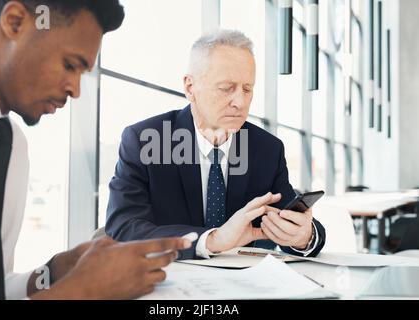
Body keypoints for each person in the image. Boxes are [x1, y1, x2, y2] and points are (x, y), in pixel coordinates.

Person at [0, 0, 191, 300]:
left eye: (82, 72)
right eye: (70, 64)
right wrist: (82, 291)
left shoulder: (11, 144)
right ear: (15, 22)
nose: (75, 89)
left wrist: (57, 271)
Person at [105, 29, 326, 260]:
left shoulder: (266, 149)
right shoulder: (144, 141)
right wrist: (212, 240)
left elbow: (291, 220)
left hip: (245, 288)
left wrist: (303, 237)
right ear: (190, 88)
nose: (240, 102)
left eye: (247, 89)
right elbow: (124, 228)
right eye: (226, 88)